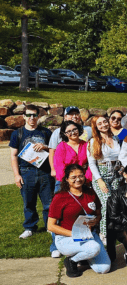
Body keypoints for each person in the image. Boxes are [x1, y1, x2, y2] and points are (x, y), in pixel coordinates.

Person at [48, 164, 110, 278]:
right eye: (73, 177)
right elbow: (51, 226)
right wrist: (74, 234)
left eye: (81, 176)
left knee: (104, 269)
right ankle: (72, 261)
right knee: (94, 248)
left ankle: (85, 256)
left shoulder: (90, 192)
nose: (78, 179)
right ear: (66, 179)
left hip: (89, 235)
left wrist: (96, 221)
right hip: (66, 238)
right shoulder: (60, 197)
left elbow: (98, 214)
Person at [9, 105, 55, 254]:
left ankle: (50, 226)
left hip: (44, 172)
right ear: (23, 116)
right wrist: (17, 175)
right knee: (28, 202)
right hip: (26, 171)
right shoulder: (18, 133)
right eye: (29, 115)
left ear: (38, 116)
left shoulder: (46, 132)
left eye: (34, 115)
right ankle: (29, 227)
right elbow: (13, 155)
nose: (32, 118)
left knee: (48, 202)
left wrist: (45, 147)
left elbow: (54, 150)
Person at [87, 115, 121, 244]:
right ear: (95, 127)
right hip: (101, 174)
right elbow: (92, 164)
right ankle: (104, 233)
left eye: (105, 122)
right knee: (107, 202)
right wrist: (99, 180)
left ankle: (116, 229)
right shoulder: (93, 141)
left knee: (117, 203)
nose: (103, 125)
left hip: (116, 174)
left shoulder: (116, 138)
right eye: (99, 124)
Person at [49, 106, 92, 182]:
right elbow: (53, 153)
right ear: (65, 117)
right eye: (71, 114)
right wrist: (53, 170)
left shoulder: (89, 130)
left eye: (76, 114)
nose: (74, 116)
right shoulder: (58, 136)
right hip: (65, 178)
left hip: (83, 177)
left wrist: (87, 178)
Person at [54, 121, 92, 192]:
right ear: (65, 134)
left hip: (83, 180)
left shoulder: (86, 145)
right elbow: (59, 167)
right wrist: (68, 181)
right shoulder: (61, 146)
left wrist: (87, 179)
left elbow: (91, 163)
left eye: (74, 129)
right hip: (65, 182)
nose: (73, 132)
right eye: (69, 131)